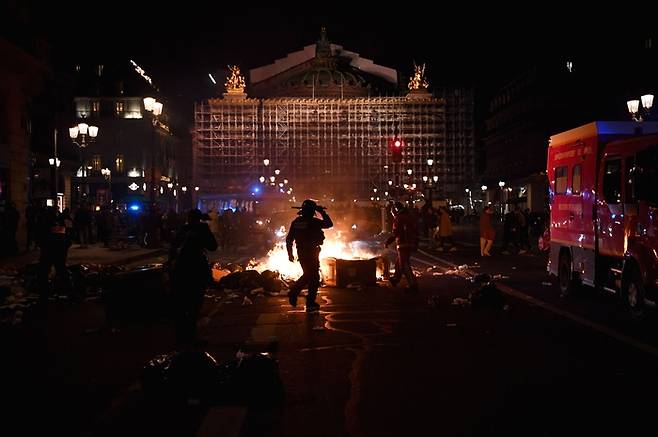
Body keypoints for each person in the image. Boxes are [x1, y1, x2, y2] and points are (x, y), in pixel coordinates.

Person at [168, 209, 218, 348]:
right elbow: (213, 246)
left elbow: (172, 249)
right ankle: (190, 338)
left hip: (180, 271)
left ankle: (181, 337)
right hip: (196, 270)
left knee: (182, 305)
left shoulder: (182, 230)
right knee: (194, 305)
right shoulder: (202, 228)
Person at [286, 199, 333, 313]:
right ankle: (299, 295)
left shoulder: (296, 222)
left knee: (310, 275)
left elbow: (289, 240)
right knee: (312, 276)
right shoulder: (314, 222)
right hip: (312, 252)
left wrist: (290, 254)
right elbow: (329, 224)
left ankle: (307, 300)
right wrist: (322, 212)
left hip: (301, 252)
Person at [385, 201, 419, 292]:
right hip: (410, 242)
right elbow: (416, 230)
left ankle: (412, 285)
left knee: (404, 264)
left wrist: (388, 242)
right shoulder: (409, 216)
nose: (392, 214)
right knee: (399, 262)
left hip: (403, 243)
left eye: (392, 212)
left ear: (395, 210)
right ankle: (396, 279)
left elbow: (396, 232)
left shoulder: (398, 218)